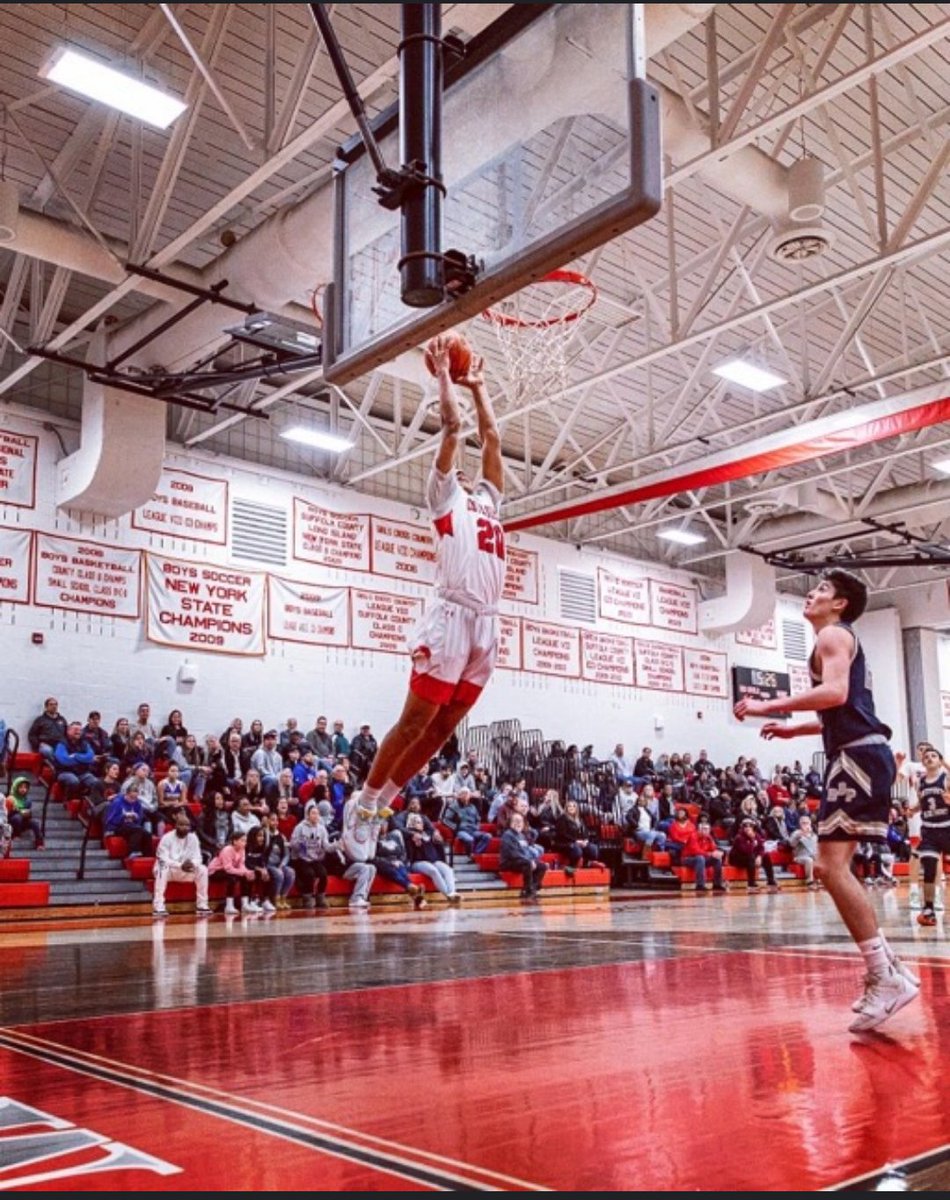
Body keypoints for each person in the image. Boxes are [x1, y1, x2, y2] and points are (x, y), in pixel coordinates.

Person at [734, 567, 919, 1032]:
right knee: (833, 867)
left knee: (829, 867)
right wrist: (795, 727)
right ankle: (891, 969)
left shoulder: (833, 636)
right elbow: (846, 707)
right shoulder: (837, 641)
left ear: (839, 604)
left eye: (822, 590)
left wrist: (767, 705)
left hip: (857, 758)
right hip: (858, 752)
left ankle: (882, 974)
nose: (811, 594)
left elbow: (835, 694)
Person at [350, 340, 503, 821]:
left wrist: (478, 388)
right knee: (415, 721)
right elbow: (455, 429)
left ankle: (384, 800)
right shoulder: (444, 497)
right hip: (451, 616)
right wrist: (443, 376)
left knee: (443, 730)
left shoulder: (489, 502)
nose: (460, 465)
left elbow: (492, 438)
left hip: (487, 622)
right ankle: (365, 798)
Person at [151, 810, 212, 918]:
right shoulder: (167, 838)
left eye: (187, 825)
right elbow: (162, 858)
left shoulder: (193, 838)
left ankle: (202, 905)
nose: (184, 828)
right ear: (175, 825)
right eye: (181, 825)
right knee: (162, 868)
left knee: (202, 869)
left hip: (185, 871)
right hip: (169, 870)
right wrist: (180, 865)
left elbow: (198, 857)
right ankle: (158, 906)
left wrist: (192, 864)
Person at [914, 745, 950, 927]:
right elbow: (922, 802)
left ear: (940, 760)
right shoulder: (919, 782)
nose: (929, 758)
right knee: (928, 867)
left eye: (933, 755)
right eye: (926, 756)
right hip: (929, 829)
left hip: (947, 827)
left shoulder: (946, 778)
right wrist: (913, 809)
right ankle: (928, 909)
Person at [289, 800, 337, 909]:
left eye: (317, 814)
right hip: (301, 858)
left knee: (323, 874)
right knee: (309, 874)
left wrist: (336, 846)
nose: (315, 816)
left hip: (315, 859)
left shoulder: (322, 829)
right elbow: (292, 844)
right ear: (308, 815)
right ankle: (307, 898)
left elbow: (326, 846)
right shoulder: (300, 827)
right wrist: (301, 843)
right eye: (313, 813)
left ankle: (320, 897)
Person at [404, 812, 460, 903]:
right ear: (412, 823)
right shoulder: (409, 836)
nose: (421, 824)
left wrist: (439, 840)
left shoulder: (428, 833)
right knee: (433, 870)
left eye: (421, 822)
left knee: (448, 870)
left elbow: (439, 846)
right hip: (418, 862)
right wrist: (412, 841)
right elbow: (409, 853)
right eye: (418, 822)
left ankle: (452, 893)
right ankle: (448, 895)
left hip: (433, 860)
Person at [337, 793, 380, 910]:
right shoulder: (344, 826)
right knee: (364, 868)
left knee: (372, 868)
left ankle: (363, 896)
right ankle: (355, 898)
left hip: (355, 864)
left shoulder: (362, 828)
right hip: (343, 867)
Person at [373, 820, 426, 908]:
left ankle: (414, 892)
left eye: (384, 824)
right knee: (393, 870)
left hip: (398, 863)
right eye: (379, 824)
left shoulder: (394, 837)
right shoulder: (374, 840)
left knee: (402, 870)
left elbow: (402, 853)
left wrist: (400, 861)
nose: (382, 826)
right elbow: (373, 857)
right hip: (383, 865)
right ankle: (413, 890)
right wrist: (389, 862)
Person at [208, 830, 260, 917]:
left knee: (247, 876)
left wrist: (247, 872)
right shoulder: (227, 850)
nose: (245, 843)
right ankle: (229, 906)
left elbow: (241, 865)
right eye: (242, 840)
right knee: (231, 877)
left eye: (245, 841)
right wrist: (243, 872)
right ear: (235, 841)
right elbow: (228, 868)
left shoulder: (242, 850)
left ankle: (245, 904)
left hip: (229, 870)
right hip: (215, 871)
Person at [499, 811, 546, 902]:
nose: (518, 823)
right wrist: (529, 861)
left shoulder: (521, 835)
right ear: (510, 823)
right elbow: (513, 853)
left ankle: (532, 888)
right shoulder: (507, 835)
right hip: (509, 862)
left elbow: (526, 851)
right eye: (516, 821)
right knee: (527, 864)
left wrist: (532, 860)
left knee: (542, 866)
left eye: (520, 821)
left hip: (521, 860)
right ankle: (529, 891)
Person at [53, 721, 99, 802]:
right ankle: (68, 801)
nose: (78, 732)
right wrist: (83, 760)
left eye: (80, 730)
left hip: (82, 773)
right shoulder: (61, 743)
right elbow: (64, 760)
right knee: (73, 781)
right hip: (64, 772)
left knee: (95, 782)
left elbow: (90, 756)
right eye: (75, 729)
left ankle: (86, 802)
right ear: (68, 731)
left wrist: (76, 756)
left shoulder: (84, 743)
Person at [728, 817, 778, 892]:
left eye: (750, 825)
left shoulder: (757, 835)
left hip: (750, 857)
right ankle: (751, 884)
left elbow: (761, 848)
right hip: (737, 859)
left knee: (766, 856)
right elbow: (746, 851)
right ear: (742, 827)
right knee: (750, 857)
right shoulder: (739, 837)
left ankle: (771, 881)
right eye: (745, 826)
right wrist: (752, 840)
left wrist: (760, 856)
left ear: (753, 827)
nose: (748, 828)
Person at [681, 815, 727, 893]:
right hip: (687, 858)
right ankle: (700, 884)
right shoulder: (693, 836)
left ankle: (717, 883)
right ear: (699, 830)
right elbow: (695, 851)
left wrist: (717, 853)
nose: (706, 831)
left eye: (707, 829)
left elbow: (713, 848)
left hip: (702, 858)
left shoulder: (709, 837)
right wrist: (710, 854)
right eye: (703, 829)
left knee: (717, 859)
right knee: (700, 858)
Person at [555, 798, 599, 873]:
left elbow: (585, 832)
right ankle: (571, 867)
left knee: (593, 849)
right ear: (566, 808)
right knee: (577, 850)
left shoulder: (579, 820)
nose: (571, 808)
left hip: (579, 842)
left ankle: (586, 864)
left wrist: (585, 840)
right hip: (565, 843)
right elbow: (562, 834)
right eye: (569, 806)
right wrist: (576, 841)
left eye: (574, 806)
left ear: (576, 809)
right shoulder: (562, 819)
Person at [443, 787, 491, 856]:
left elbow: (478, 819)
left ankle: (476, 854)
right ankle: (470, 855)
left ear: (469, 796)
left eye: (467, 794)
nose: (465, 796)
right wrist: (456, 827)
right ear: (459, 796)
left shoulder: (472, 807)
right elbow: (445, 820)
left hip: (473, 830)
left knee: (487, 836)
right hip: (462, 831)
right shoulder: (454, 806)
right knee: (470, 839)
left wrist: (477, 826)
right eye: (463, 794)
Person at [5, 777, 44, 850]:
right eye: (20, 787)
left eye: (25, 787)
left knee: (35, 822)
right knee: (17, 817)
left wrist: (28, 814)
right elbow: (6, 814)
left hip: (23, 821)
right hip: (11, 822)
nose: (23, 789)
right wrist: (16, 811)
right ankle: (15, 835)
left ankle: (39, 843)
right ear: (15, 787)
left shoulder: (27, 800)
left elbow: (29, 814)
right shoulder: (10, 799)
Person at [789, 813, 820, 890]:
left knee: (819, 859)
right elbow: (792, 844)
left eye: (807, 823)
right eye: (803, 823)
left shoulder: (814, 835)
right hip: (799, 857)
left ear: (810, 823)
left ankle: (820, 880)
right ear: (800, 824)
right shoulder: (796, 833)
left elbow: (817, 848)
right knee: (809, 860)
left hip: (812, 855)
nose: (805, 824)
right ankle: (809, 881)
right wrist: (800, 835)